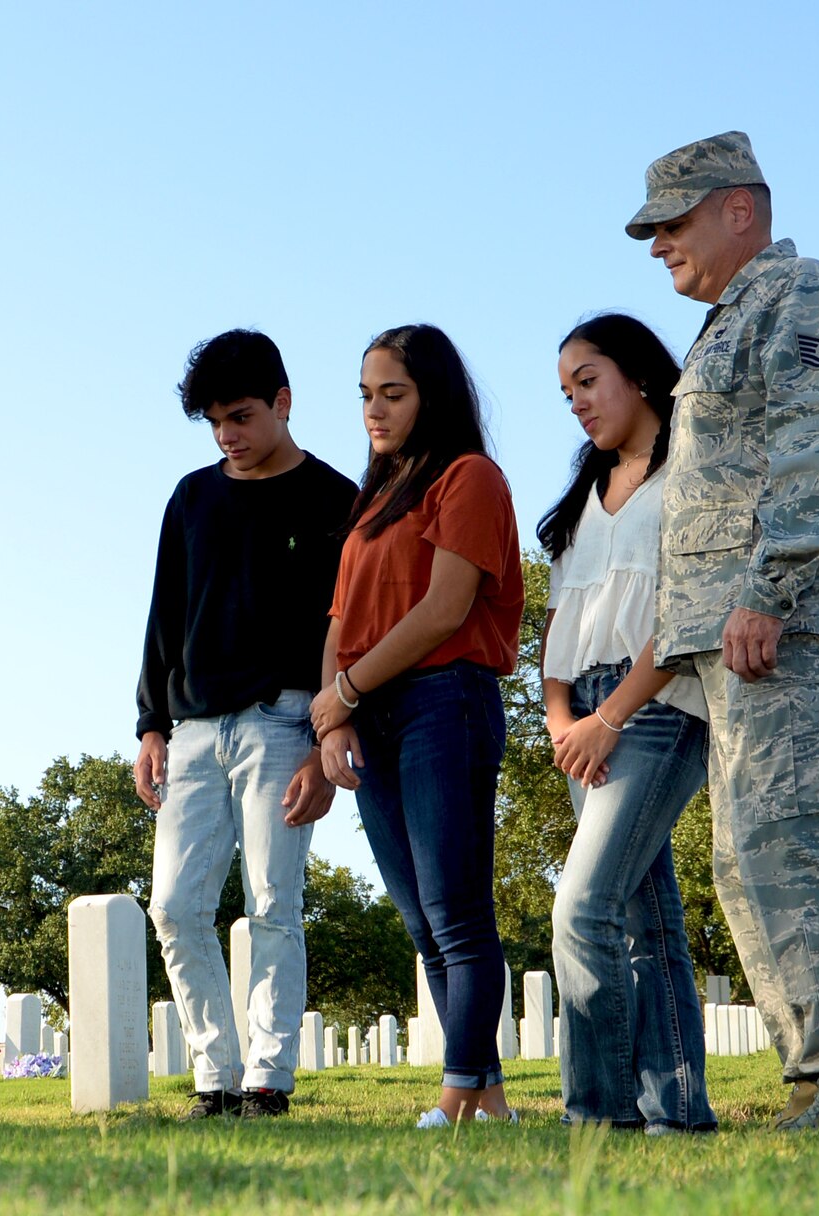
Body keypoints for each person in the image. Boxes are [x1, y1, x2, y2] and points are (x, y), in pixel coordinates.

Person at [626, 131, 819, 1130]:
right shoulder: (729, 320)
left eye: (673, 221)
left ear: (738, 209)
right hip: (750, 637)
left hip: (796, 625)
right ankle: (817, 1079)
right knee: (752, 859)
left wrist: (768, 589)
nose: (657, 243)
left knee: (805, 847)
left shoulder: (804, 297)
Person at [135, 328, 359, 1120]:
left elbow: (351, 627)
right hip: (192, 729)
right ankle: (214, 1077)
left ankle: (267, 1081)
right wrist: (149, 725)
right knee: (173, 908)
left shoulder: (338, 500)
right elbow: (164, 614)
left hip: (284, 722)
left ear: (283, 403)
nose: (227, 435)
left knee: (273, 903)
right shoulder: (192, 497)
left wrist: (326, 744)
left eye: (239, 416)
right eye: (214, 423)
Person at [310, 324, 524, 1127]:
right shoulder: (371, 500)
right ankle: (491, 1102)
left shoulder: (468, 477)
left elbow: (444, 609)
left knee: (458, 913)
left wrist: (347, 691)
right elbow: (340, 619)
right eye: (365, 394)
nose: (374, 409)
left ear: (432, 395)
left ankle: (455, 1098)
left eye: (392, 393)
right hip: (370, 715)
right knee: (420, 922)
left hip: (445, 700)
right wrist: (332, 719)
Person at [540, 313, 716, 1134]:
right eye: (567, 389)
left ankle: (597, 1118)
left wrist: (609, 717)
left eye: (588, 379)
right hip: (584, 718)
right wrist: (560, 719)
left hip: (658, 709)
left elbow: (687, 617)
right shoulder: (585, 491)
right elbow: (558, 624)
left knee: (581, 908)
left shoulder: (690, 473)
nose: (577, 401)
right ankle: (676, 1110)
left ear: (639, 375)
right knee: (647, 922)